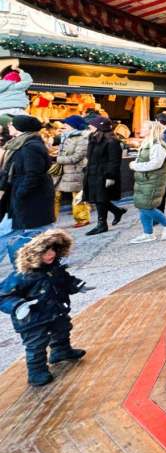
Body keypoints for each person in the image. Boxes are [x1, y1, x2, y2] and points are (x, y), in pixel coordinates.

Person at [0, 229, 87, 386]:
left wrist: (75, 285)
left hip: (55, 310)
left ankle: (61, 351)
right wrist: (17, 305)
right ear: (29, 256)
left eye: (52, 249)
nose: (51, 254)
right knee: (36, 345)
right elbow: (3, 296)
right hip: (32, 319)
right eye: (44, 252)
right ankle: (36, 371)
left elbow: (64, 280)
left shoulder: (53, 268)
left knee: (62, 329)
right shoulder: (21, 276)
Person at [0, 114, 56, 264]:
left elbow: (34, 173)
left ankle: (51, 263)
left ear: (20, 128)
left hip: (32, 196)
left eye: (12, 124)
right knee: (14, 231)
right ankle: (24, 264)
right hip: (21, 196)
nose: (9, 126)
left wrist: (20, 193)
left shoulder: (30, 146)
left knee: (41, 231)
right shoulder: (19, 144)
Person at [129, 120, 166, 244]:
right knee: (143, 206)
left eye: (144, 128)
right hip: (146, 180)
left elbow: (156, 163)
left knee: (147, 207)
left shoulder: (158, 145)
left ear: (151, 130)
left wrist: (136, 166)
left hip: (153, 180)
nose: (141, 129)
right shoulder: (149, 143)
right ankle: (148, 233)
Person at [82, 116, 127, 236]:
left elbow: (114, 161)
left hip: (104, 174)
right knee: (97, 199)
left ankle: (102, 224)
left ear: (99, 127)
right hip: (93, 173)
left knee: (101, 199)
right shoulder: (93, 138)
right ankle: (117, 211)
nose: (89, 126)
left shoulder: (112, 141)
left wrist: (110, 176)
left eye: (92, 125)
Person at [53, 115, 91, 228]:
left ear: (74, 126)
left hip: (76, 171)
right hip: (62, 171)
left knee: (77, 195)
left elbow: (77, 157)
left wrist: (57, 159)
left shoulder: (83, 138)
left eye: (66, 124)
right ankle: (50, 220)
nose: (63, 126)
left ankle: (82, 219)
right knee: (54, 194)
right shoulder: (66, 136)